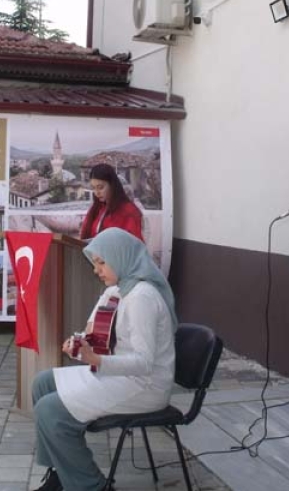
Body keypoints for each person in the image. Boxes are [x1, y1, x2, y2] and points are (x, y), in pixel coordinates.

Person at [31, 227, 177, 491]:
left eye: (101, 262)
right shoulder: (117, 290)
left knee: (49, 410)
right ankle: (61, 474)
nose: (96, 269)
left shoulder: (142, 297)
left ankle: (93, 486)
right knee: (42, 383)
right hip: (120, 374)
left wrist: (96, 360)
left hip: (145, 385)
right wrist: (79, 345)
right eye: (94, 263)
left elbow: (144, 363)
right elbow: (94, 333)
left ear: (121, 257)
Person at [79, 163, 143, 241]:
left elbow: (134, 244)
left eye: (100, 187)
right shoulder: (99, 209)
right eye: (93, 188)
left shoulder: (129, 211)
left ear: (112, 185)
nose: (96, 192)